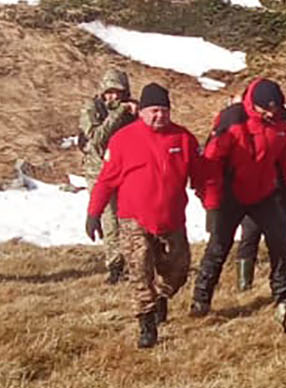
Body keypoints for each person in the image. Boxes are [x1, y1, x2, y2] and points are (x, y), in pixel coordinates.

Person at [85, 83, 206, 349]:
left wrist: (212, 205)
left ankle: (162, 297)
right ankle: (146, 323)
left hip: (172, 218)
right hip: (133, 219)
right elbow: (106, 181)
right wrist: (94, 213)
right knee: (139, 270)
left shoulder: (184, 139)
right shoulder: (123, 140)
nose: (158, 116)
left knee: (179, 270)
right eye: (152, 111)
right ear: (141, 111)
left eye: (163, 111)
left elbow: (202, 177)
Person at [191, 78, 286, 314]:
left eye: (275, 108)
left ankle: (283, 291)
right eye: (266, 109)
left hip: (264, 192)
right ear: (255, 104)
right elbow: (211, 162)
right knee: (219, 246)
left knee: (280, 241)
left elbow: (285, 161)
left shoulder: (283, 122)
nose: (271, 114)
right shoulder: (232, 119)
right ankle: (201, 298)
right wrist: (212, 202)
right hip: (230, 194)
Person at [233, 108, 286, 291]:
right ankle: (243, 286)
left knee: (279, 238)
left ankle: (280, 284)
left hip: (282, 191)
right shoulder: (243, 119)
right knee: (249, 233)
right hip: (253, 190)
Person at [78, 68, 136, 283]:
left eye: (118, 92)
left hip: (125, 169)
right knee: (109, 218)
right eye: (109, 92)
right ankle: (115, 265)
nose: (113, 97)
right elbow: (96, 138)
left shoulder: (132, 110)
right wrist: (119, 113)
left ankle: (133, 260)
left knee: (128, 217)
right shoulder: (92, 108)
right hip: (99, 170)